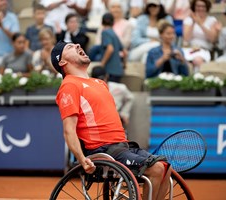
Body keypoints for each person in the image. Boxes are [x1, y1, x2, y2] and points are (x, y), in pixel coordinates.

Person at [50, 40, 172, 200]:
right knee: (156, 169)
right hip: (102, 151)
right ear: (62, 61)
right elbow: (68, 130)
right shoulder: (69, 86)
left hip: (123, 146)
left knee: (165, 167)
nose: (78, 46)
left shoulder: (100, 83)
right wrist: (82, 159)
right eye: (70, 47)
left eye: (76, 44)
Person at [182, 0, 220, 72]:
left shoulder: (212, 20)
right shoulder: (188, 20)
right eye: (198, 6)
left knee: (197, 60)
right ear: (194, 7)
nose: (200, 8)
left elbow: (212, 39)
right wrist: (193, 22)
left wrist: (200, 24)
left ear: (207, 8)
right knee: (183, 62)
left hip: (204, 49)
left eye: (203, 6)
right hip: (190, 49)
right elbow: (186, 38)